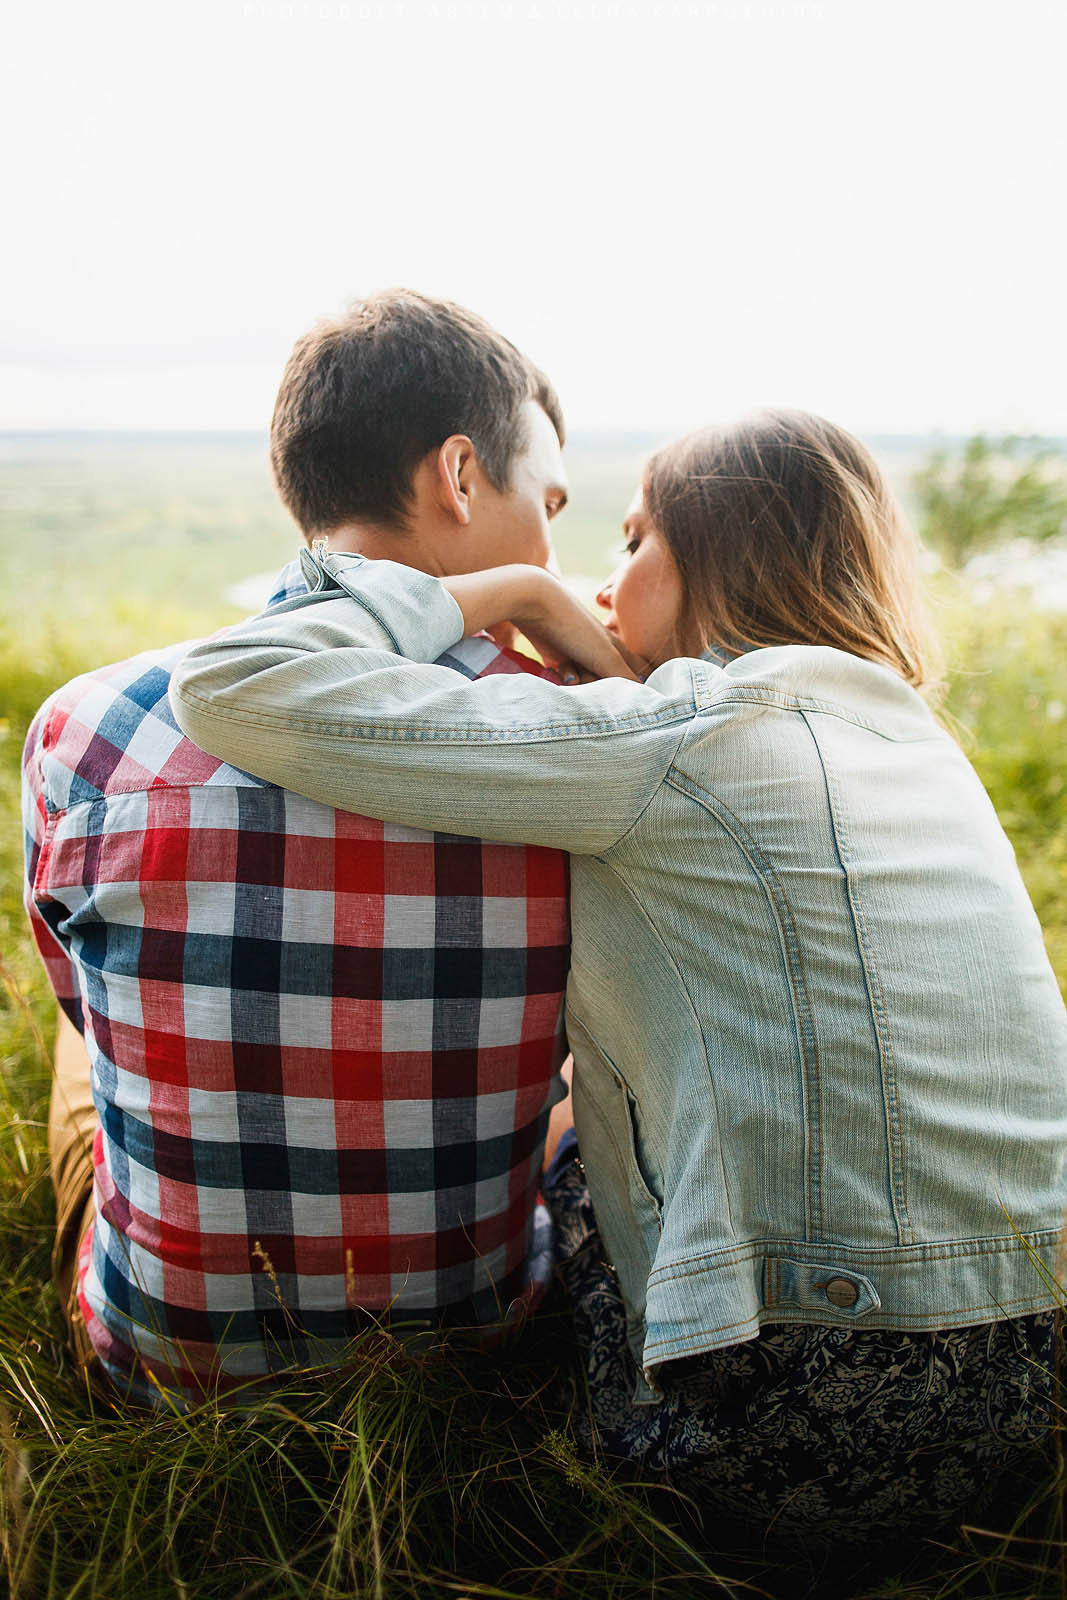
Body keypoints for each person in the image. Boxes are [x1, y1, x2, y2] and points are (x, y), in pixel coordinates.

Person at [170, 408, 1066, 1546]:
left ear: (724, 555)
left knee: (542, 1148)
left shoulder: (683, 739)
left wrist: (520, 597)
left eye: (636, 541)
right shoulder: (906, 739)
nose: (602, 580)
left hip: (803, 1423)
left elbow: (235, 681)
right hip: (1017, 1378)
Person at [22, 288, 579, 1409]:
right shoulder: (570, 748)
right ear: (458, 476)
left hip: (168, 1367)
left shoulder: (86, 729)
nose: (550, 542)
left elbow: (91, 1005)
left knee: (83, 1046)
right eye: (547, 499)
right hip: (475, 1353)